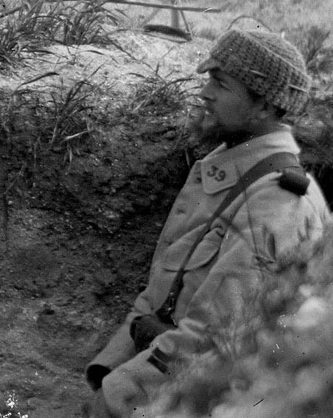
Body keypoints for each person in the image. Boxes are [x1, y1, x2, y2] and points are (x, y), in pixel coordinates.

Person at [86, 28, 330, 416]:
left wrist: (117, 396)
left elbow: (218, 336)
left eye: (220, 83)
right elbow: (162, 294)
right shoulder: (229, 169)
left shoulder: (277, 200)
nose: (205, 93)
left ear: (265, 105)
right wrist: (108, 369)